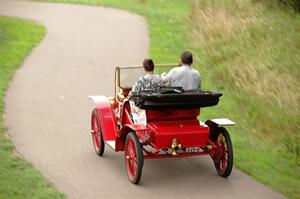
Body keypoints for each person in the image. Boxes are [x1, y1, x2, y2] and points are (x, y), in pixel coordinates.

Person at [129, 58, 162, 125]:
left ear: (144, 68)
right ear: (153, 67)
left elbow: (131, 95)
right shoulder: (159, 79)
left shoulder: (141, 80)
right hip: (157, 106)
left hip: (145, 108)